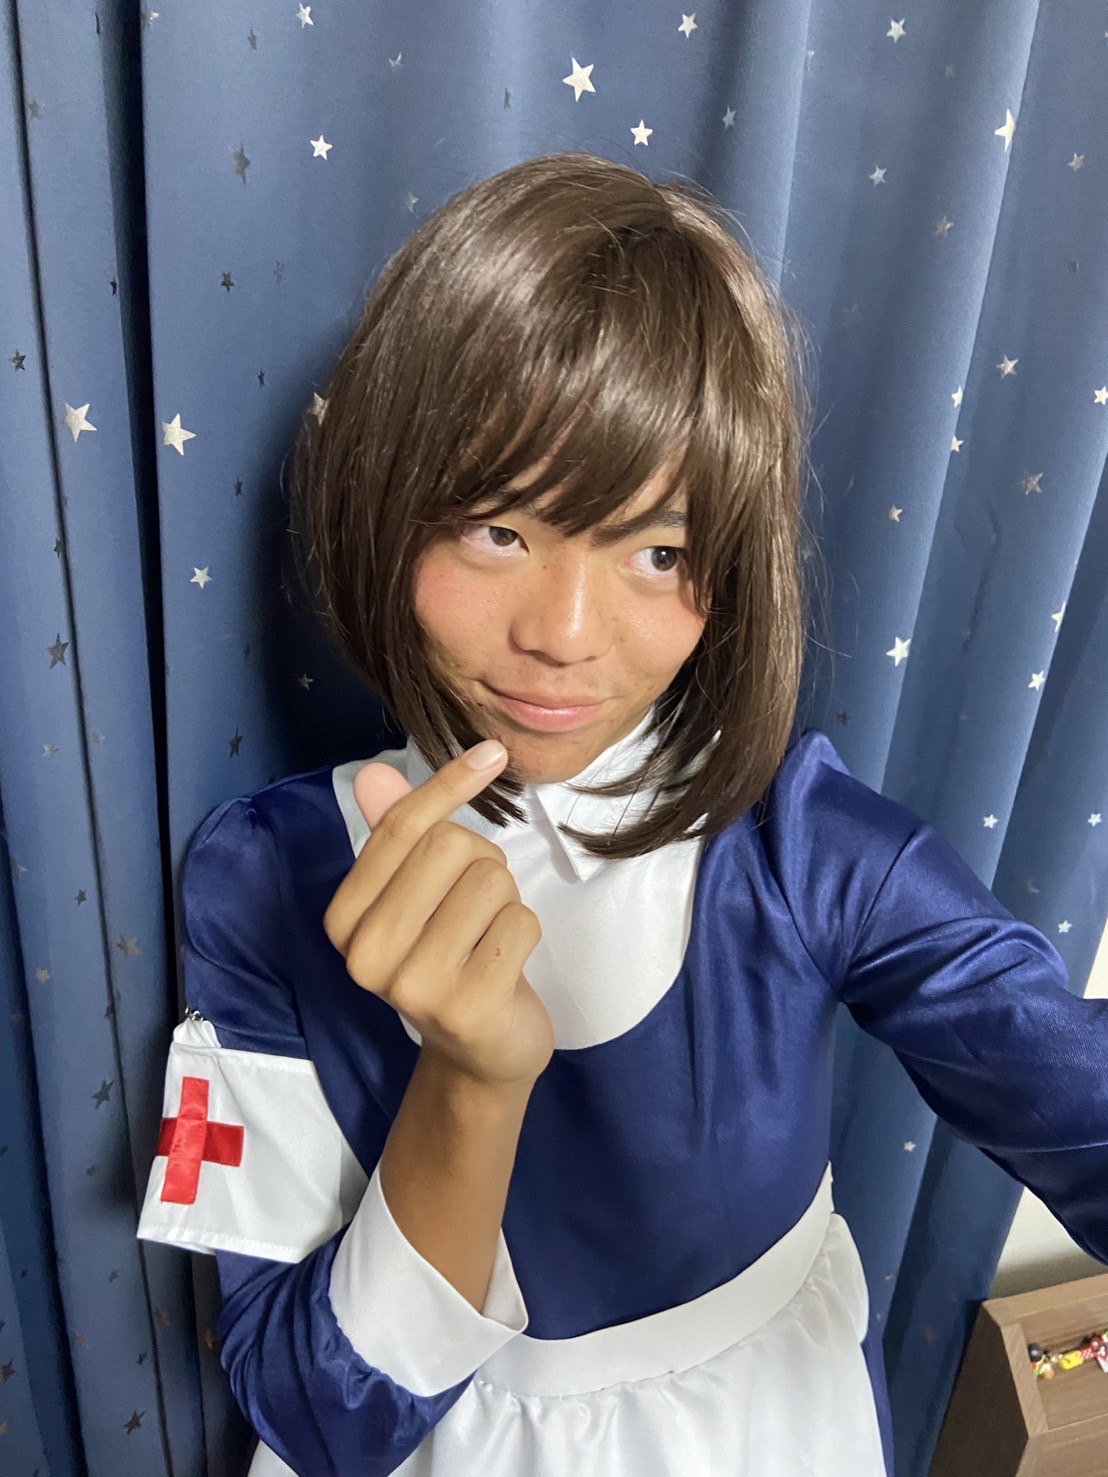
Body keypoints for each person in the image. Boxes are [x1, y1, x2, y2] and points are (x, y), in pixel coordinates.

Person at [136, 151, 1108, 1477]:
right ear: (383, 506)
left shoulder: (803, 850)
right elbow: (316, 1417)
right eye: (497, 528)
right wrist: (472, 1078)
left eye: (659, 552)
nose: (565, 635)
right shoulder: (264, 874)